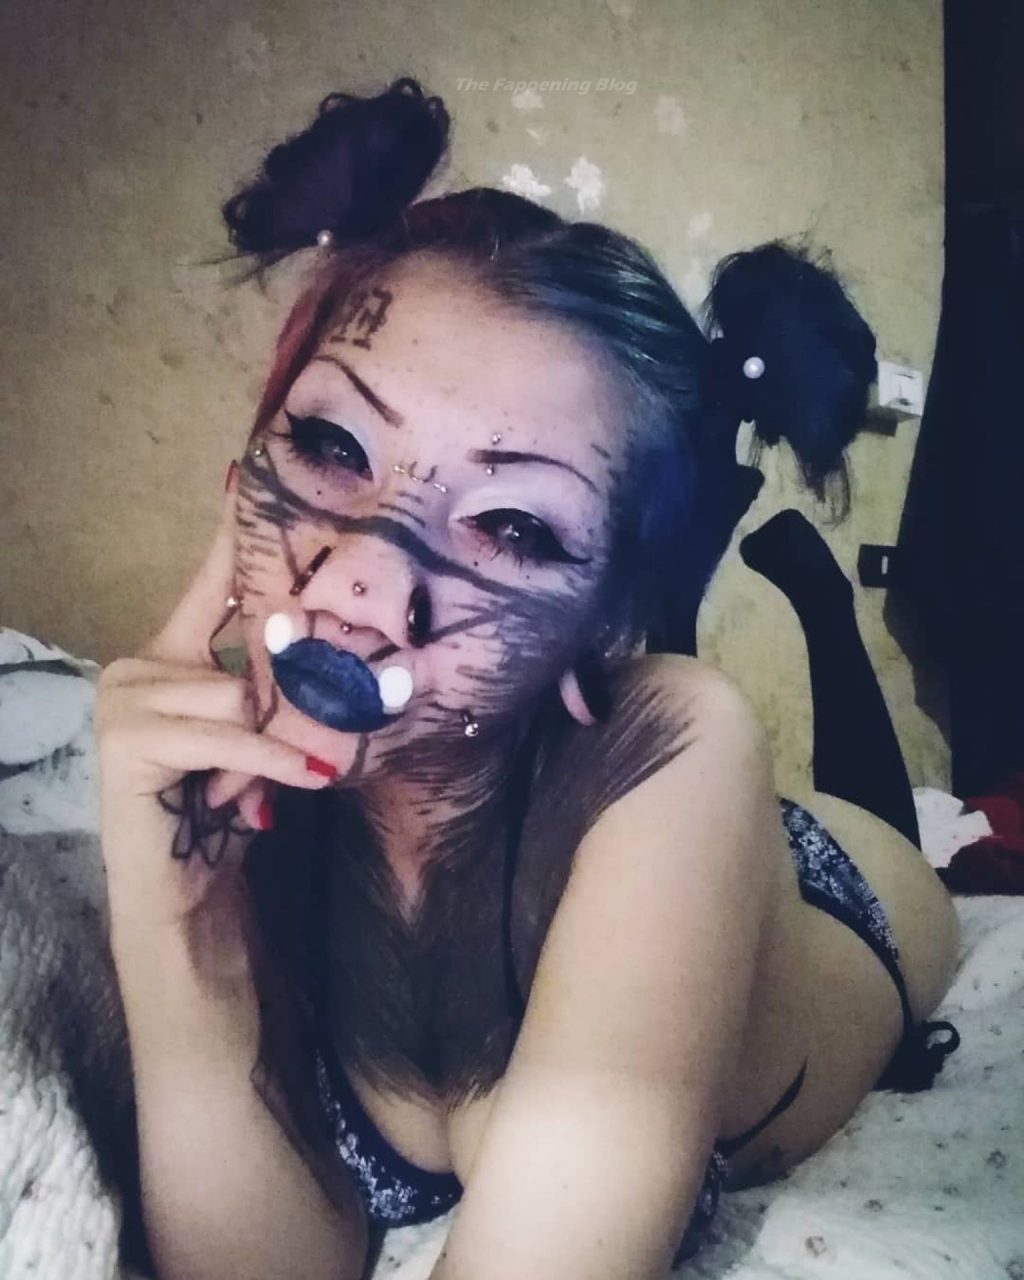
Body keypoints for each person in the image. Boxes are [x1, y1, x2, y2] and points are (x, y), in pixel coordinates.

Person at [96, 78, 961, 1280]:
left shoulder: (675, 731)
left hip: (850, 894)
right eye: (334, 445)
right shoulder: (243, 784)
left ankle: (819, 611)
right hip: (618, 789)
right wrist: (177, 926)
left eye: (512, 525)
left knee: (845, 801)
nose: (361, 582)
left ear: (606, 627)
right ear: (242, 473)